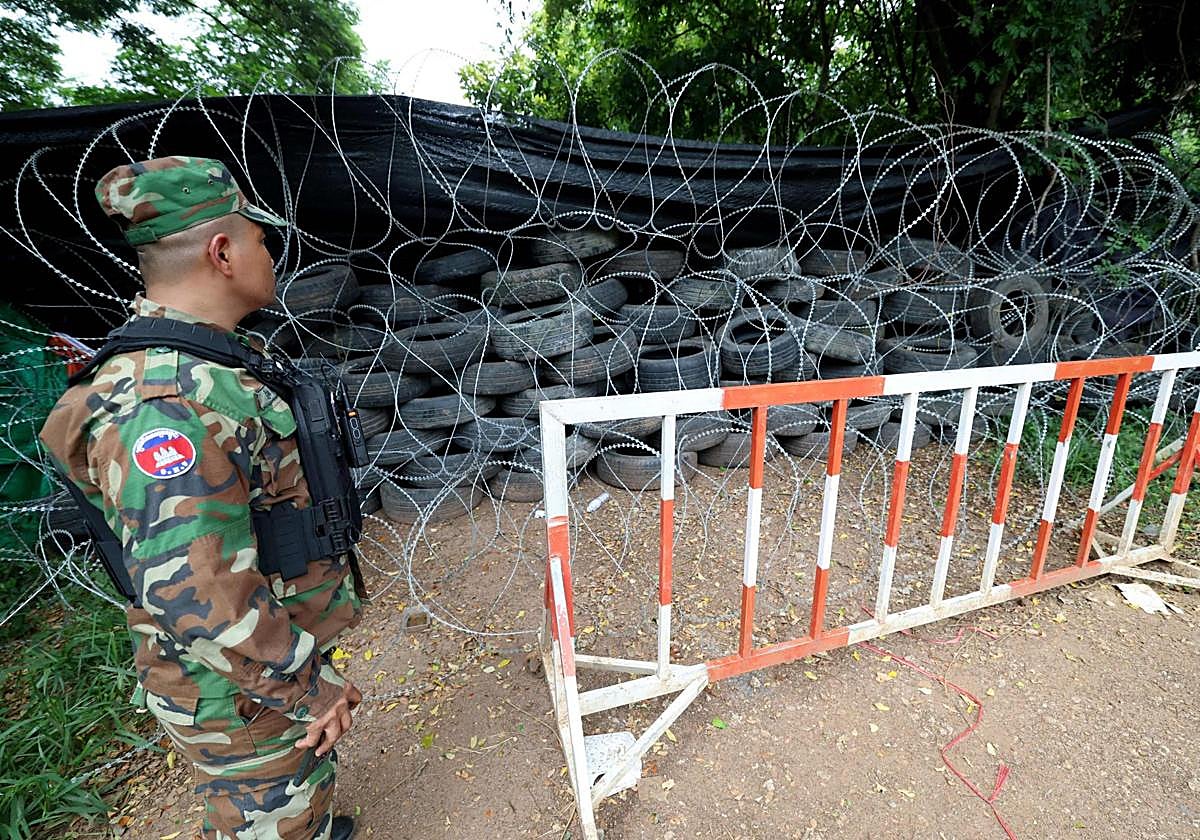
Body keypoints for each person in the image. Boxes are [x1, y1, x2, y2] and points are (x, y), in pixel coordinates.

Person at [39, 156, 364, 840]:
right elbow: (200, 590)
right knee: (265, 814)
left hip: (259, 663)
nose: (270, 253)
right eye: (260, 239)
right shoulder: (164, 407)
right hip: (234, 686)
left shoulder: (210, 364)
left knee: (293, 796)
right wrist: (309, 687)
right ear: (222, 253)